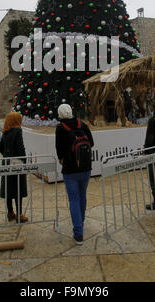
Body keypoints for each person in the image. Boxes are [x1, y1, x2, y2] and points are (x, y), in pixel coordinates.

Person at [55, 104, 94, 245]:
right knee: (82, 196)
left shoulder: (60, 128)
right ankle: (80, 223)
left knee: (74, 200)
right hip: (86, 168)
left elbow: (59, 150)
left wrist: (63, 158)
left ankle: (78, 233)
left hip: (70, 169)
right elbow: (92, 143)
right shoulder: (82, 125)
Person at [0, 112, 28, 223]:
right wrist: (24, 160)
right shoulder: (17, 131)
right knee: (18, 189)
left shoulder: (6, 132)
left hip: (6, 162)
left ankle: (10, 213)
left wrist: (7, 155)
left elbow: (0, 147)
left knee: (8, 188)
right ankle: (19, 215)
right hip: (17, 163)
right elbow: (21, 148)